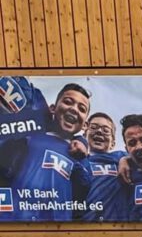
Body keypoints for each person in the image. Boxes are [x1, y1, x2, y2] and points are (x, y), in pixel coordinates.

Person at [0, 82, 90, 221]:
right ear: (52, 109)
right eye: (67, 102)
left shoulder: (81, 156)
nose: (74, 109)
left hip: (54, 230)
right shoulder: (29, 135)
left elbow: (82, 195)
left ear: (85, 125)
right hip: (13, 222)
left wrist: (83, 142)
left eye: (82, 108)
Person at [72, 112, 129, 221]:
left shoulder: (120, 157)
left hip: (117, 225)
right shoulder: (78, 161)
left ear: (113, 144)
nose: (99, 131)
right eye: (93, 127)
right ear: (84, 135)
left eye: (106, 130)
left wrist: (125, 159)